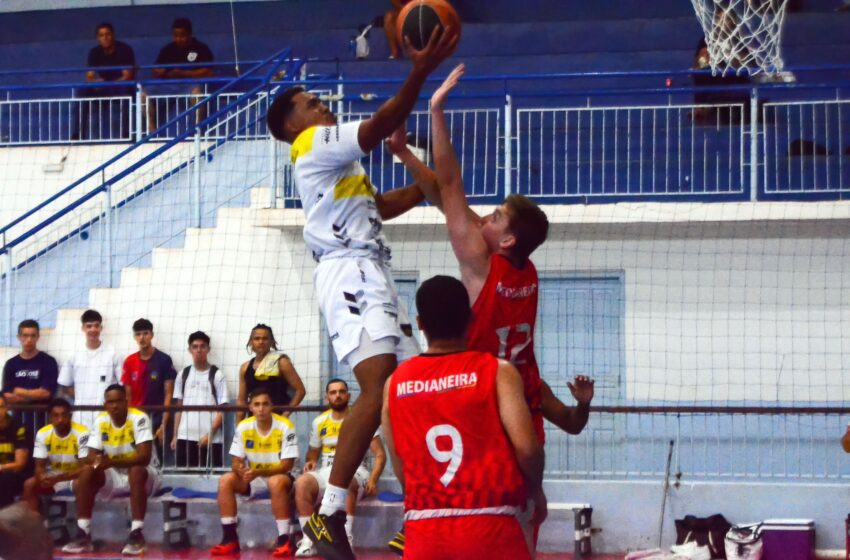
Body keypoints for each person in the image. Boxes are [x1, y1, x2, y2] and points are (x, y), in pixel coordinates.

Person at [382, 64, 596, 555]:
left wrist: (435, 112)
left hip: (481, 410)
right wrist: (407, 158)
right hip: (522, 405)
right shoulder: (524, 270)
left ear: (508, 237)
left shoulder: (481, 264)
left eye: (495, 215)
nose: (487, 216)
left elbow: (451, 185)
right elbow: (446, 201)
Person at [265, 23, 455, 560]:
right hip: (349, 271)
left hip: (371, 268)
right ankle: (326, 516)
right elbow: (377, 125)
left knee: (401, 393)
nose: (319, 102)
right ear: (291, 121)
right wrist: (418, 71)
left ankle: (418, 510)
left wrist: (425, 181)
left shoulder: (339, 167)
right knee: (376, 388)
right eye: (308, 100)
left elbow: (381, 206)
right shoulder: (311, 143)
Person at [382, 275, 544, 559]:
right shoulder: (498, 372)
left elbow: (399, 460)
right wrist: (535, 490)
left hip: (424, 530)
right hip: (491, 524)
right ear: (471, 318)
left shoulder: (394, 383)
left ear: (420, 324)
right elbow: (528, 449)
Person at [61, 384, 160, 555]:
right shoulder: (101, 421)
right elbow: (91, 456)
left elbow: (143, 457)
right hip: (115, 475)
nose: (114, 405)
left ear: (126, 402)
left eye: (118, 401)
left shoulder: (139, 418)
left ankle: (137, 534)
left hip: (147, 475)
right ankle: (83, 532)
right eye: (110, 402)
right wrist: (98, 461)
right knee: (87, 472)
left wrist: (111, 461)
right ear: (105, 404)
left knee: (136, 470)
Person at [294, 379, 386, 557]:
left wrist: (373, 479)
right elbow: (312, 455)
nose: (338, 396)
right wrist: (311, 462)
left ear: (348, 396)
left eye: (342, 392)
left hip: (357, 472)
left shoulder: (361, 419)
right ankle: (309, 540)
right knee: (303, 482)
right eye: (333, 392)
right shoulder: (319, 422)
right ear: (326, 397)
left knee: (346, 481)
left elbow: (380, 455)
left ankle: (346, 537)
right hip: (326, 470)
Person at [211, 387, 299, 556]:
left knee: (275, 482)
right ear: (250, 407)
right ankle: (230, 539)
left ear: (272, 406)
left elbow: (287, 465)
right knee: (225, 480)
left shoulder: (285, 426)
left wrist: (257, 472)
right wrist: (239, 468)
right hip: (255, 476)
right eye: (256, 404)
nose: (261, 408)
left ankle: (284, 539)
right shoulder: (244, 427)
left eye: (265, 404)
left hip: (284, 477)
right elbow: (235, 460)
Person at [121, 318, 177, 461]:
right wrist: (127, 422)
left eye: (145, 333)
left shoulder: (164, 360)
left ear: (151, 335)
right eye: (138, 334)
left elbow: (168, 393)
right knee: (135, 459)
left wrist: (164, 424)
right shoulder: (129, 361)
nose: (142, 337)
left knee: (157, 460)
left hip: (157, 418)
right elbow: (127, 396)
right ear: (134, 337)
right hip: (135, 418)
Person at [171, 331, 229, 468]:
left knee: (211, 482)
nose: (198, 350)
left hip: (211, 439)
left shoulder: (217, 375)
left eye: (202, 346)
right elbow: (178, 408)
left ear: (208, 349)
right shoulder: (182, 375)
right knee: (184, 481)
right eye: (195, 346)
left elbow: (223, 409)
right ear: (189, 349)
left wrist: (210, 435)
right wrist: (175, 435)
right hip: (184, 437)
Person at [58, 309, 123, 429]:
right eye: (89, 326)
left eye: (96, 326)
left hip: (108, 417)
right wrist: (83, 398)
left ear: (101, 328)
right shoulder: (74, 355)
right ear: (83, 328)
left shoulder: (113, 354)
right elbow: (64, 386)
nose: (93, 329)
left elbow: (122, 386)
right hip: (80, 418)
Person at [21, 398, 89, 512]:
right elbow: (39, 466)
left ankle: (82, 525)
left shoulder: (82, 433)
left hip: (74, 477)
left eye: (64, 415)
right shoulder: (42, 433)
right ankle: (35, 525)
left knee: (81, 484)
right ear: (50, 418)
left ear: (70, 416)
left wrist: (57, 479)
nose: (60, 419)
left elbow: (85, 468)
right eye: (56, 415)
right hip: (53, 476)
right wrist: (42, 477)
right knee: (29, 485)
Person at [149, 17, 215, 133]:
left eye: (182, 35)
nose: (179, 39)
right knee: (143, 95)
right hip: (168, 86)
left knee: (198, 94)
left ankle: (197, 129)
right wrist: (162, 71)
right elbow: (155, 71)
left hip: (190, 85)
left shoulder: (201, 48)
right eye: (176, 35)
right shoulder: (167, 49)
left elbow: (209, 71)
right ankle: (152, 130)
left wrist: (184, 73)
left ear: (189, 34)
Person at [236, 324, 305, 423]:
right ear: (251, 342)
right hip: (253, 423)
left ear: (271, 342)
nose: (261, 342)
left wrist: (285, 415)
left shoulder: (281, 362)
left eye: (265, 338)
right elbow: (241, 400)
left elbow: (300, 390)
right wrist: (239, 426)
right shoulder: (245, 368)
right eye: (257, 338)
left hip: (277, 422)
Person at [78, 22, 136, 140]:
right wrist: (96, 82)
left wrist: (110, 83)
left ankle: (126, 134)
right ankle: (79, 135)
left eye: (108, 34)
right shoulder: (94, 52)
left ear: (113, 35)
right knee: (82, 93)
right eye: (101, 35)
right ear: (98, 38)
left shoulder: (124, 49)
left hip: (120, 85)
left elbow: (128, 76)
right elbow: (89, 77)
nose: (105, 38)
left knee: (126, 94)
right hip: (103, 86)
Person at [2, 319, 59, 433]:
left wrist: (20, 392)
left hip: (42, 421)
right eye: (25, 335)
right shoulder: (11, 364)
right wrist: (33, 395)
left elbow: (46, 393)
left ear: (38, 337)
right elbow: (7, 396)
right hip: (17, 421)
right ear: (19, 337)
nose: (29, 340)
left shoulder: (48, 361)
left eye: (33, 336)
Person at [0, 394, 31, 509]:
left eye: (1, 407)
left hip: (17, 475)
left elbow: (20, 464)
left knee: (4, 480)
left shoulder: (19, 428)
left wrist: (1, 468)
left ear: (7, 408)